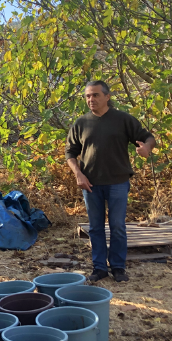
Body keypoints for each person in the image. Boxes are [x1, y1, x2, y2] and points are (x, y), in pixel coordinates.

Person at [66, 80, 155, 283]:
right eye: (88, 96)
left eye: (95, 95)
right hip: (91, 184)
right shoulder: (81, 123)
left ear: (107, 97)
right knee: (96, 228)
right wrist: (78, 174)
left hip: (117, 182)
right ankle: (99, 268)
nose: (91, 99)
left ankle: (118, 267)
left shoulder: (122, 119)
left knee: (117, 226)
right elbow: (70, 152)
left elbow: (148, 137)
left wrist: (146, 149)